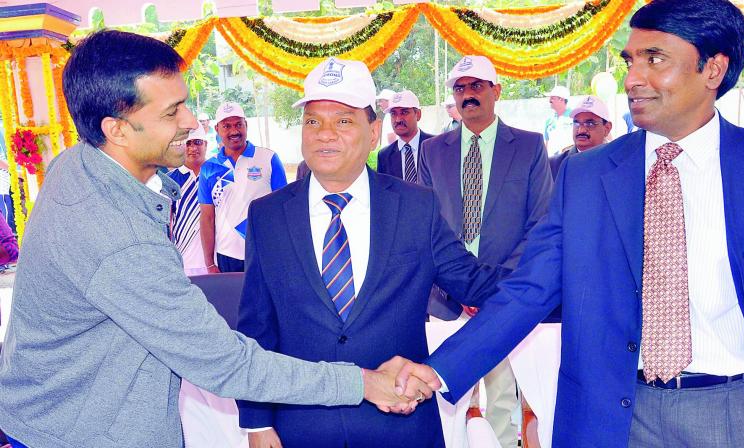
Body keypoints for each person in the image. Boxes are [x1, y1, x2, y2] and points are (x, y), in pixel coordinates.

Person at [0, 30, 428, 448]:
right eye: (172, 113)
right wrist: (364, 382)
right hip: (81, 433)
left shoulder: (78, 163)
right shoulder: (118, 240)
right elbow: (228, 363)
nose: (191, 122)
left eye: (184, 103)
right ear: (117, 130)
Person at [401, 1, 744, 446]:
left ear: (713, 69)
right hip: (614, 418)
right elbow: (529, 290)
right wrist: (440, 369)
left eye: (655, 59)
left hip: (742, 414)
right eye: (631, 61)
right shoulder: (587, 176)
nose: (633, 78)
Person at [236, 57, 504, 448]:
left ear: (373, 132)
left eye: (343, 121)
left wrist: (568, 270)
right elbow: (257, 327)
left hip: (401, 425)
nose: (325, 134)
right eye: (313, 121)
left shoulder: (416, 207)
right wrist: (256, 423)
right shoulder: (267, 215)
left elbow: (482, 289)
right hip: (302, 430)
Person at [419, 55, 553, 448]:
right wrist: (462, 285)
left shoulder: (528, 146)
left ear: (497, 91)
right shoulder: (433, 150)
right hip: (445, 297)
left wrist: (492, 288)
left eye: (477, 86)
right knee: (446, 398)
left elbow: (540, 223)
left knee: (502, 397)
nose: (468, 95)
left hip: (504, 295)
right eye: (460, 88)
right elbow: (426, 225)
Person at [198, 102, 288, 273]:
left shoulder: (268, 159)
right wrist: (209, 263)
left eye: (238, 124)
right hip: (226, 255)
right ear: (217, 129)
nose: (234, 131)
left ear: (246, 125)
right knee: (232, 300)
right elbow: (207, 218)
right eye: (227, 126)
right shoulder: (209, 168)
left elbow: (282, 210)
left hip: (263, 252)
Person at [168, 126, 208, 276]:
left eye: (197, 142)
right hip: (182, 262)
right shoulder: (169, 181)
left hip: (216, 262)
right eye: (188, 143)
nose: (192, 148)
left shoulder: (220, 174)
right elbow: (167, 223)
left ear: (206, 144)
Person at [549, 95, 613, 179]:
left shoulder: (618, 162)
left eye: (590, 124)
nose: (581, 130)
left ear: (607, 128)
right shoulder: (554, 165)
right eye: (577, 123)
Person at [376, 89, 433, 183]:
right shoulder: (384, 156)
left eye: (404, 112)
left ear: (418, 114)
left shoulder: (436, 146)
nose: (398, 119)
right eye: (393, 114)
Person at [542, 85, 572, 156]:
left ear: (561, 99)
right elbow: (547, 142)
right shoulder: (549, 121)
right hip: (553, 162)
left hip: (570, 159)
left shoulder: (574, 117)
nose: (549, 101)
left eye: (552, 98)